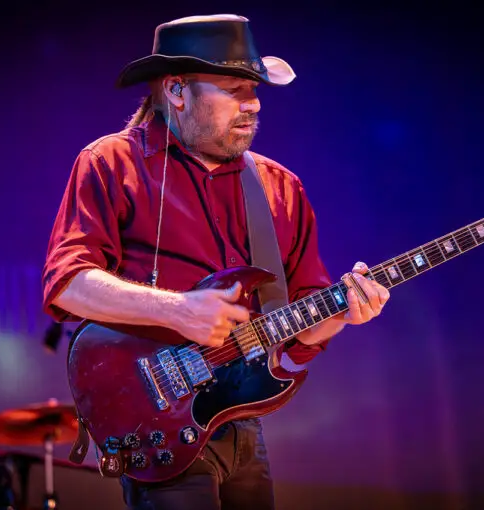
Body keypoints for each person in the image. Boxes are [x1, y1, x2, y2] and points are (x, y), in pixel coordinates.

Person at [41, 14, 390, 510]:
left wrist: (341, 312)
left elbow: (300, 326)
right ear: (176, 90)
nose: (253, 104)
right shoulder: (111, 163)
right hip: (157, 419)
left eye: (255, 90)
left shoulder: (280, 188)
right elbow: (67, 283)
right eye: (233, 90)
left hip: (240, 421)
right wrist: (178, 310)